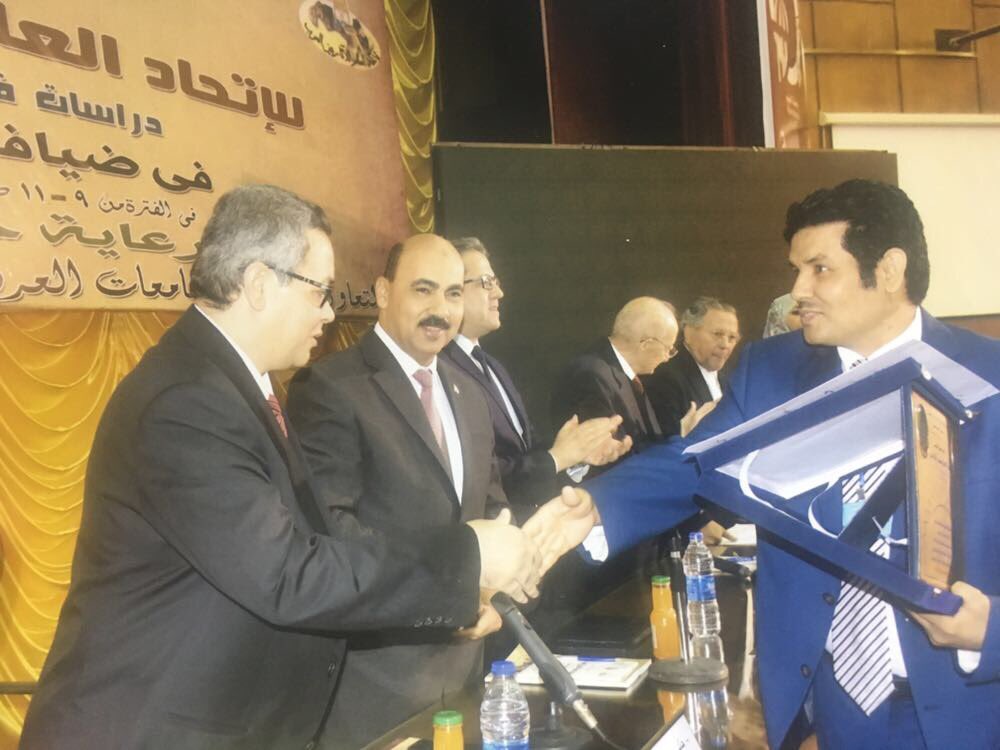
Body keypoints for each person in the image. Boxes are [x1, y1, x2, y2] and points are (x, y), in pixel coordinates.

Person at [18, 186, 556, 750]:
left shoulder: (236, 385)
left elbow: (323, 542)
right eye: (318, 291)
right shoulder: (186, 402)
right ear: (258, 284)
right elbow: (287, 573)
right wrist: (467, 557)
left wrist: (466, 586)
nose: (329, 311)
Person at [581, 179, 1000, 750]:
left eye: (819, 269)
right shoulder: (772, 372)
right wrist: (591, 509)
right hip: (831, 707)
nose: (798, 290)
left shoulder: (988, 377)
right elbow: (695, 464)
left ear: (890, 270)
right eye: (796, 270)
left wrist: (990, 630)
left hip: (971, 708)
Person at [285, 234, 596, 746]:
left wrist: (499, 594)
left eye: (453, 294)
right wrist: (453, 593)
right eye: (423, 290)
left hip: (465, 676)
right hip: (379, 685)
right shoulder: (329, 387)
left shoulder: (468, 392)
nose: (440, 310)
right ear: (383, 292)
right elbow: (333, 535)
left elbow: (492, 512)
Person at [441, 237, 629, 514]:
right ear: (451, 291)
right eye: (486, 283)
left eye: (496, 281)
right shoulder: (441, 370)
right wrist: (557, 458)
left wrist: (577, 455)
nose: (499, 292)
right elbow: (481, 476)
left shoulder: (493, 366)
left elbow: (527, 452)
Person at [550, 297, 678, 465]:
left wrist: (681, 436)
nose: (667, 358)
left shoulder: (622, 374)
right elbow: (610, 461)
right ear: (646, 344)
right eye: (668, 349)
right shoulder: (592, 376)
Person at [642, 296, 740, 438]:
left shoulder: (732, 377)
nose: (725, 345)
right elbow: (664, 442)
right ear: (688, 332)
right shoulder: (664, 377)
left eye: (732, 338)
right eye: (717, 334)